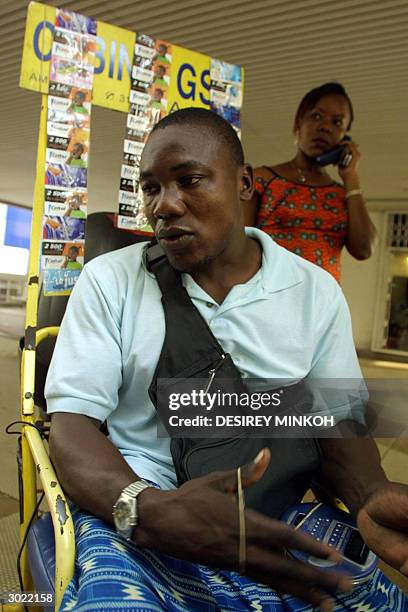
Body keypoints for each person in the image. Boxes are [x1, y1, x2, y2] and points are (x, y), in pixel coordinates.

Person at [45, 108, 407, 611]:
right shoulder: (111, 281)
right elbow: (71, 424)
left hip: (271, 514)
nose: (164, 206)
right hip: (138, 507)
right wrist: (146, 511)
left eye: (189, 180)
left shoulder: (314, 292)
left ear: (244, 184)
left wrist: (370, 492)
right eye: (151, 188)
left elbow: (336, 418)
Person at [245, 82, 377, 282]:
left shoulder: (342, 195)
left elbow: (364, 249)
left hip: (323, 308)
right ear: (298, 124)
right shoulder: (262, 179)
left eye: (337, 122)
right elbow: (238, 247)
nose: (325, 127)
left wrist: (351, 178)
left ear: (345, 137)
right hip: (270, 301)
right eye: (316, 116)